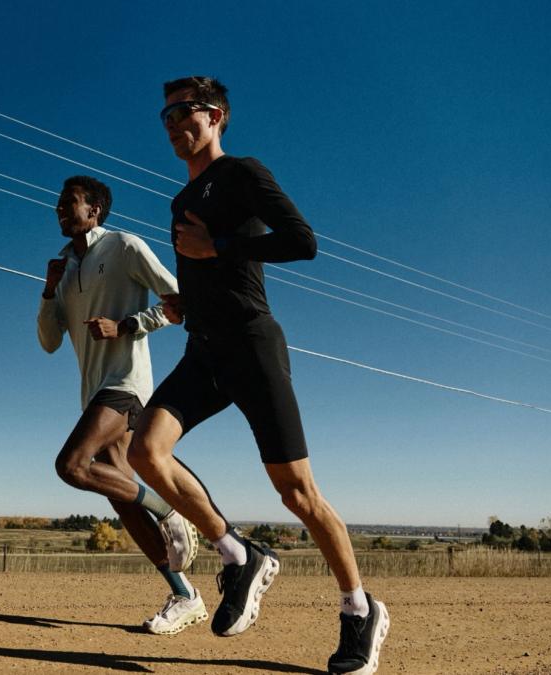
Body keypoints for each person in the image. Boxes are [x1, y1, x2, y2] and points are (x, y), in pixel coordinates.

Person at [126, 77, 389, 674]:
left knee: (296, 492)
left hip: (251, 344)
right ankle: (238, 554)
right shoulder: (179, 201)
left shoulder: (242, 172)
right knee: (144, 450)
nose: (173, 124)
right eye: (165, 116)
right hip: (203, 350)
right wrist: (184, 303)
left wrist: (217, 247)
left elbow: (303, 242)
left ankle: (360, 609)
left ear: (215, 115)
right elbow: (203, 271)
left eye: (184, 112)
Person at [37, 175, 203, 635]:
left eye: (69, 202)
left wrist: (126, 325)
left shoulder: (124, 246)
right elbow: (48, 342)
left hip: (126, 385)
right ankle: (184, 594)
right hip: (93, 394)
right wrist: (49, 289)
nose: (60, 209)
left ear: (94, 210)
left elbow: (179, 302)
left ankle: (169, 511)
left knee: (72, 465)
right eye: (58, 203)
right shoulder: (64, 268)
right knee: (121, 498)